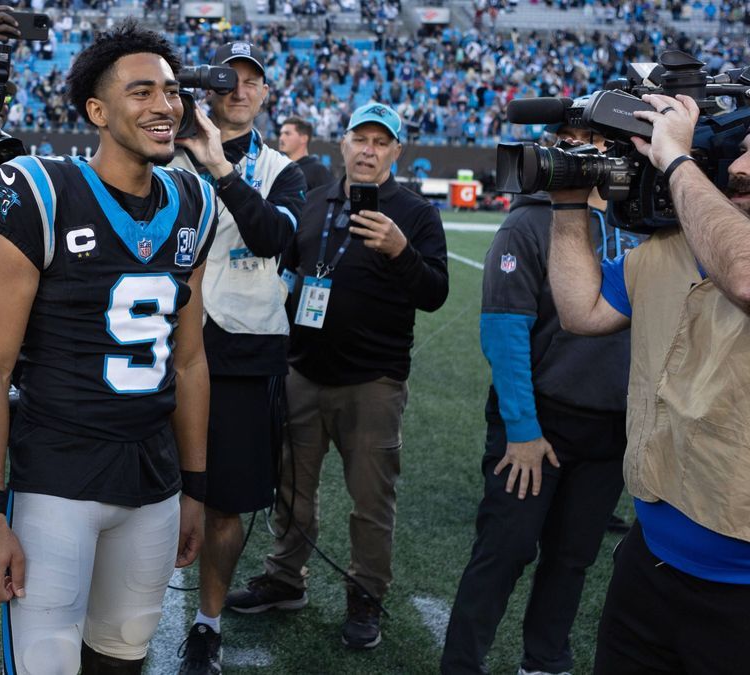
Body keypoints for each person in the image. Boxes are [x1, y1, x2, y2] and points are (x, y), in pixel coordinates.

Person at [0, 23, 214, 674]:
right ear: (97, 111)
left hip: (154, 482)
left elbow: (188, 360)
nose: (165, 105)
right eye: (142, 91)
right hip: (58, 481)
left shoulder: (196, 202)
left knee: (122, 660)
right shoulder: (42, 191)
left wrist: (195, 485)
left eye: (170, 90)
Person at [227, 102, 448, 650]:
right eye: (360, 139)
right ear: (342, 145)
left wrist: (401, 253)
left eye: (381, 142)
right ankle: (285, 578)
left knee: (371, 502)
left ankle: (365, 597)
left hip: (373, 382)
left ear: (397, 151)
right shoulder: (314, 199)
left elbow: (435, 293)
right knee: (292, 489)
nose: (369, 150)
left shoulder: (415, 213)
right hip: (303, 368)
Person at [548, 93, 750, 674]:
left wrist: (676, 160)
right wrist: (567, 207)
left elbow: (742, 274)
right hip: (651, 562)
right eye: (738, 151)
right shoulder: (674, 246)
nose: (737, 166)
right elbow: (580, 310)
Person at [440, 123, 640, 675]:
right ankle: (460, 665)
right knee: (504, 552)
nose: (584, 150)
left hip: (612, 429)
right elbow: (504, 333)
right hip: (537, 423)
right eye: (570, 139)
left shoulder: (643, 221)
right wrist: (523, 430)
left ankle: (545, 658)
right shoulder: (528, 221)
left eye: (595, 140)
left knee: (573, 558)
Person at [169, 41, 307, 675]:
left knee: (226, 504)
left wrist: (221, 169)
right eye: (227, 79)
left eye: (251, 81)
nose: (239, 90)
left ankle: (208, 622)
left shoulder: (284, 170)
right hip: (156, 344)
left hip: (243, 354)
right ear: (206, 90)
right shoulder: (163, 148)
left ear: (266, 95)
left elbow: (278, 238)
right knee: (140, 491)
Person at [278, 116, 333, 191]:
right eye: (281, 134)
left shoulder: (319, 171)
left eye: (287, 134)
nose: (281, 138)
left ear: (304, 138)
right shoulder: (279, 168)